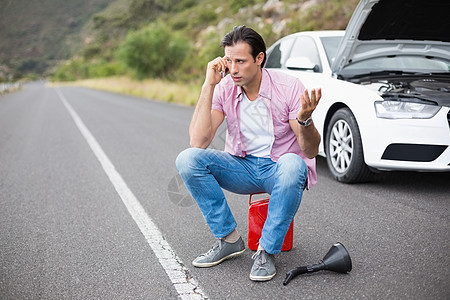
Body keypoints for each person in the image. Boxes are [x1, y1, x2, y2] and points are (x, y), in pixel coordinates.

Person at [175, 25, 321, 282]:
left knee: (294, 163)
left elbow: (310, 150)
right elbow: (198, 141)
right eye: (229, 61)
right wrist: (208, 85)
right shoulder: (224, 87)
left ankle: (266, 251)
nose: (233, 69)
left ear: (259, 58)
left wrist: (306, 121)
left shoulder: (288, 87)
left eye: (240, 61)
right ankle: (229, 240)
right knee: (187, 159)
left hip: (278, 169)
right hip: (241, 167)